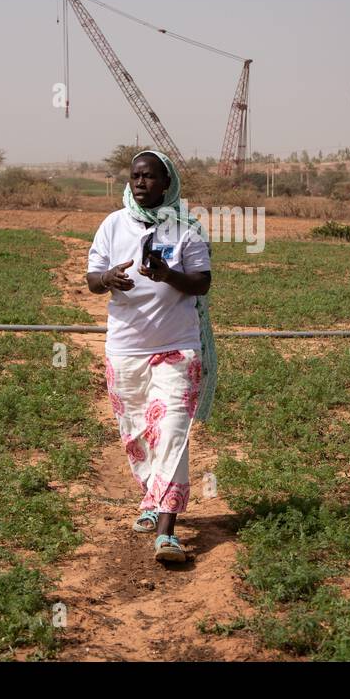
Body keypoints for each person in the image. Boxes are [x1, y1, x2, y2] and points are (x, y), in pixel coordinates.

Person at [85, 150, 217, 563]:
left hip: (178, 347)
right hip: (125, 349)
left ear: (167, 183)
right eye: (135, 176)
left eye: (149, 177)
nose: (140, 183)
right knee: (137, 432)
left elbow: (201, 283)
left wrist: (166, 275)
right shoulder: (113, 224)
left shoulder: (187, 229)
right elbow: (92, 277)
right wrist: (108, 278)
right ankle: (150, 495)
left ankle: (167, 528)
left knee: (173, 431)